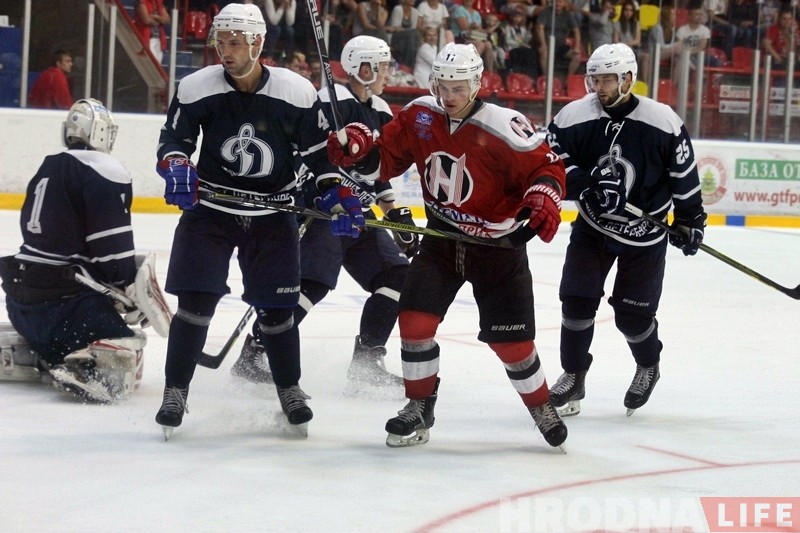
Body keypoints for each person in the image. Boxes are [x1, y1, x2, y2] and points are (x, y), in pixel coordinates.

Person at [327, 43, 569, 449]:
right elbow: (385, 161)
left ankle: (541, 407)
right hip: (442, 239)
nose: (449, 96)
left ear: (476, 84)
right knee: (414, 322)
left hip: (496, 247)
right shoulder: (420, 114)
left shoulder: (505, 125)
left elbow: (548, 167)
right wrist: (358, 152)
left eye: (458, 88)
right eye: (443, 86)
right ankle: (419, 406)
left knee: (512, 344)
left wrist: (544, 193)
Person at [152, 3, 365, 439]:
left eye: (235, 42)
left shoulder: (295, 92)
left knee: (278, 311)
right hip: (211, 211)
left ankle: (288, 389)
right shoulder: (196, 87)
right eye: (220, 42)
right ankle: (175, 391)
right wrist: (176, 165)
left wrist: (336, 194)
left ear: (257, 43)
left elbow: (318, 157)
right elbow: (174, 139)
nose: (225, 51)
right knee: (194, 304)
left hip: (273, 214)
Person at [230, 36, 417, 393]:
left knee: (397, 276)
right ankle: (256, 352)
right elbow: (310, 154)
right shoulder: (331, 103)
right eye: (382, 66)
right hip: (323, 208)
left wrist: (396, 215)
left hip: (359, 214)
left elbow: (378, 171)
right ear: (363, 68)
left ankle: (367, 363)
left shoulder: (380, 110)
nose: (387, 73)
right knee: (311, 284)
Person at [545, 43, 706, 418]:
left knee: (632, 316)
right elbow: (551, 160)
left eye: (607, 80)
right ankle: (573, 375)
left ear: (628, 78)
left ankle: (648, 364)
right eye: (595, 79)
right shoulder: (574, 116)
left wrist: (690, 220)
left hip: (644, 235)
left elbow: (684, 175)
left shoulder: (661, 121)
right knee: (576, 301)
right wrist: (586, 186)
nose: (599, 87)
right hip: (593, 227)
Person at [0, 99, 170, 404]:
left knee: (51, 326)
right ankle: (88, 367)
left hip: (19, 303)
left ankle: (37, 352)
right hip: (67, 310)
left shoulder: (49, 166)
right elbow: (112, 251)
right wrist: (127, 289)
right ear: (101, 132)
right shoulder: (103, 168)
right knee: (129, 341)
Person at [134, 0, 171, 64]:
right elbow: (146, 20)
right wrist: (160, 20)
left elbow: (167, 20)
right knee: (151, 64)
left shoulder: (158, 2)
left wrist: (155, 16)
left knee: (158, 65)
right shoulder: (141, 2)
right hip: (147, 39)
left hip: (159, 39)